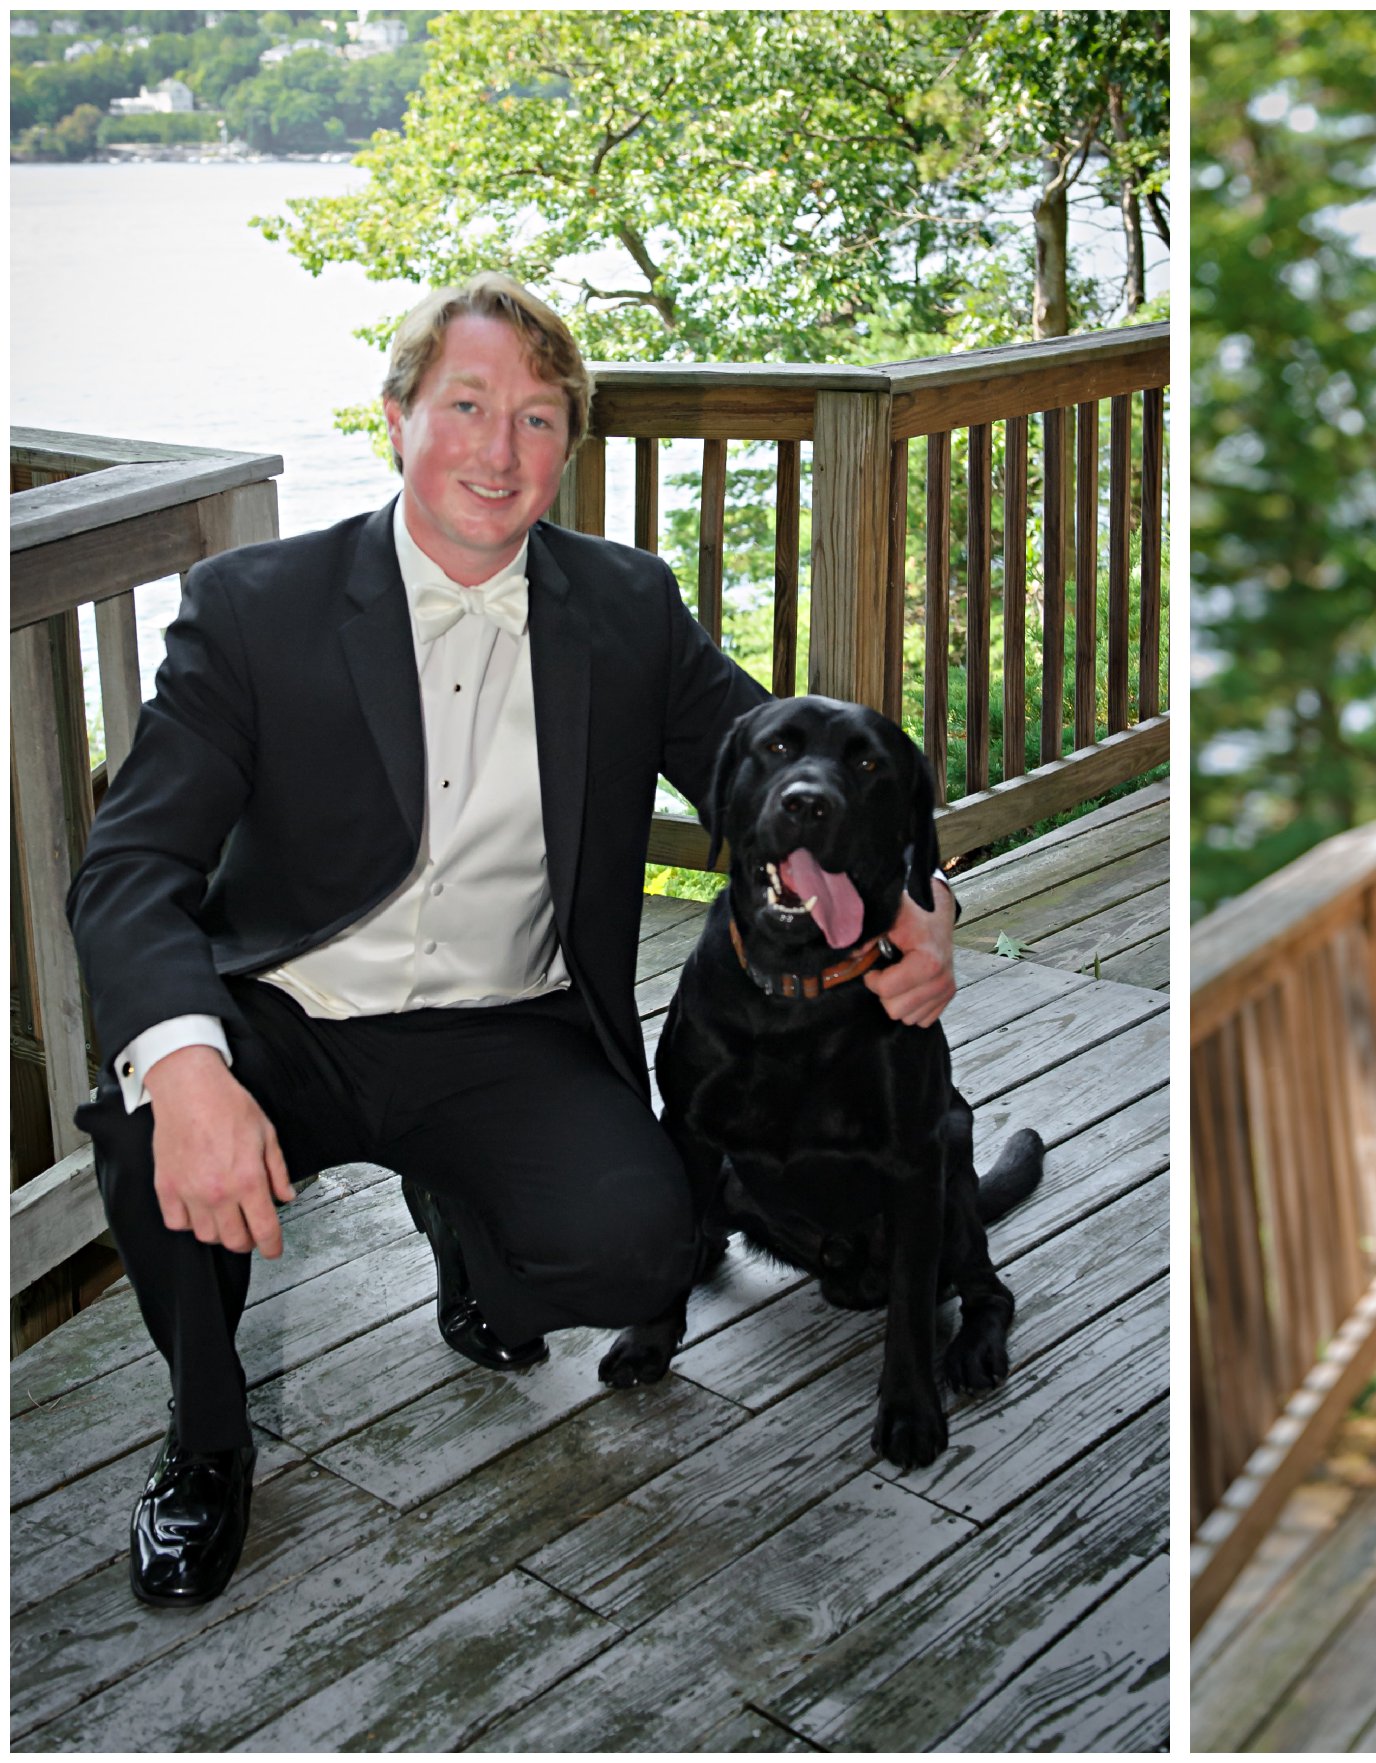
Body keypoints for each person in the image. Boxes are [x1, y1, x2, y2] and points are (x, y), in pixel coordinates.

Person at [66, 273, 958, 1608]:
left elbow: (792, 764)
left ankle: (464, 1220)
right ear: (395, 421)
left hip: (506, 1029)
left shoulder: (625, 607)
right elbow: (133, 862)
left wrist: (913, 916)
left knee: (643, 1248)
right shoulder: (255, 605)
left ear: (565, 450)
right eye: (469, 406)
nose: (499, 450)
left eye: (538, 421)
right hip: (291, 1018)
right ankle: (204, 1441)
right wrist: (188, 1068)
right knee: (148, 1118)